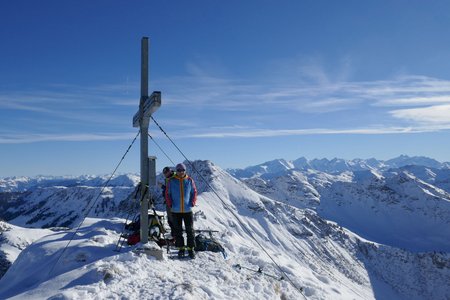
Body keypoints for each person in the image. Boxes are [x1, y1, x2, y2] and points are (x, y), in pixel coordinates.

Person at [165, 163, 198, 258]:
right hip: (176, 211)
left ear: (185, 171)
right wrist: (170, 203)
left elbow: (194, 192)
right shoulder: (171, 181)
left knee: (190, 231)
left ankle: (191, 249)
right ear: (176, 171)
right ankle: (181, 249)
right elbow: (167, 194)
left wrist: (193, 201)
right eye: (179, 170)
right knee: (178, 231)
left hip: (187, 210)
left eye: (182, 170)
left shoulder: (189, 180)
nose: (181, 172)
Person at [161, 166, 175, 239]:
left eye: (166, 173)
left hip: (172, 202)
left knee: (172, 219)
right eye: (164, 173)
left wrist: (163, 187)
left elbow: (171, 189)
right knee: (170, 219)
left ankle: (175, 235)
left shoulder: (173, 178)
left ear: (170, 171)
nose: (165, 174)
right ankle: (173, 234)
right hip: (168, 201)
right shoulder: (168, 178)